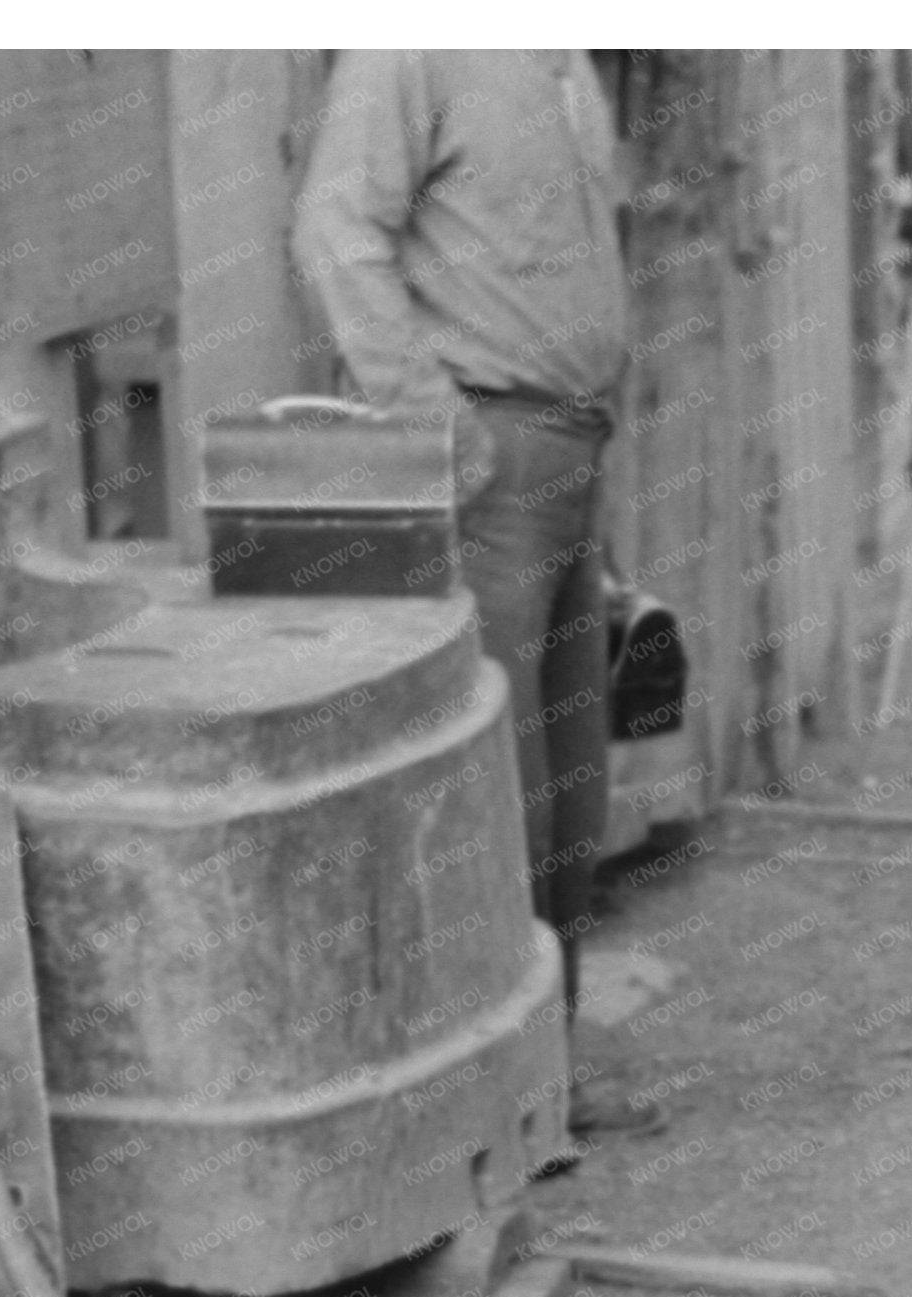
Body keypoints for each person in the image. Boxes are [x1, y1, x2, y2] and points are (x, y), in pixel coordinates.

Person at [295, 49, 656, 1137]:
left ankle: (542, 1078)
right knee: (502, 789)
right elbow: (334, 229)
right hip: (491, 458)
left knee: (568, 789)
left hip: (569, 454)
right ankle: (493, 1112)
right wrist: (433, 420)